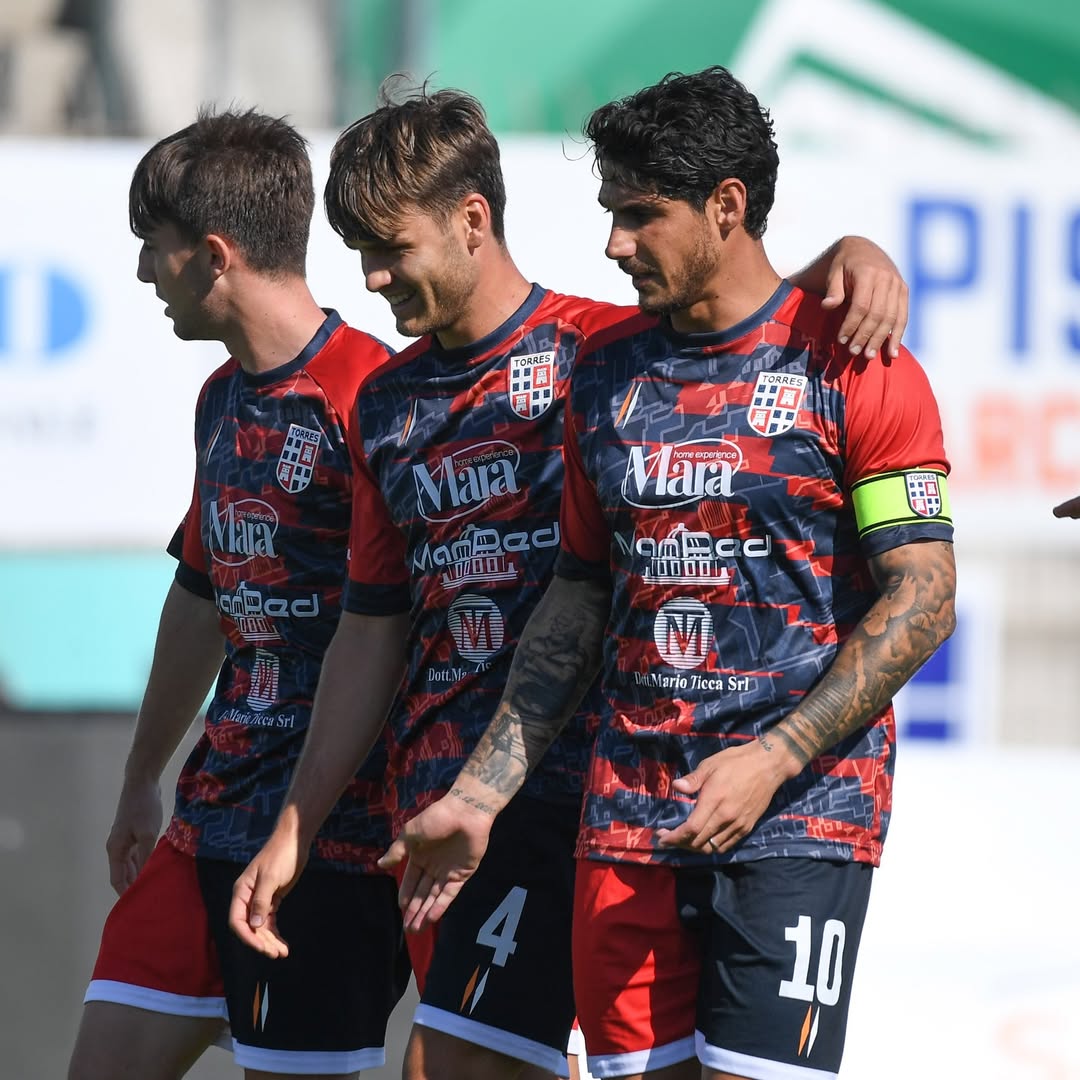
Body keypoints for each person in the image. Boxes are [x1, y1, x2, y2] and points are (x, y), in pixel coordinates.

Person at [227, 81, 915, 1080]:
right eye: (360, 255)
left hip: (612, 797)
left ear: (471, 221)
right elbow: (375, 628)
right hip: (465, 808)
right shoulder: (397, 403)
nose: (371, 280)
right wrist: (309, 823)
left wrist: (850, 256)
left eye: (392, 248)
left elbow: (742, 316)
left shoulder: (593, 348)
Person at [67, 108, 409, 1080]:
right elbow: (200, 590)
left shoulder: (372, 400)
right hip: (209, 813)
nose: (143, 275)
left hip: (333, 840)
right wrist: (144, 773)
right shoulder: (220, 398)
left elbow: (406, 635)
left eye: (154, 250)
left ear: (213, 255)